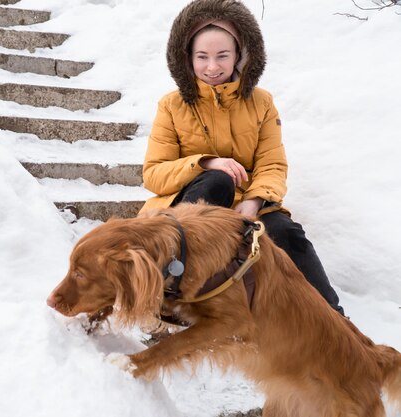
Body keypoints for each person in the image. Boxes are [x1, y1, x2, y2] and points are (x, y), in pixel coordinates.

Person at [139, 0, 344, 315]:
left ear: (240, 56)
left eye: (222, 56)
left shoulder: (261, 103)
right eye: (202, 57)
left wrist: (254, 202)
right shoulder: (172, 105)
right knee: (218, 180)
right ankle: (167, 295)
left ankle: (335, 322)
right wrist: (206, 163)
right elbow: (153, 174)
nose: (212, 67)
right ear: (187, 58)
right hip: (189, 209)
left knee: (288, 234)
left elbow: (272, 164)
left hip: (248, 203)